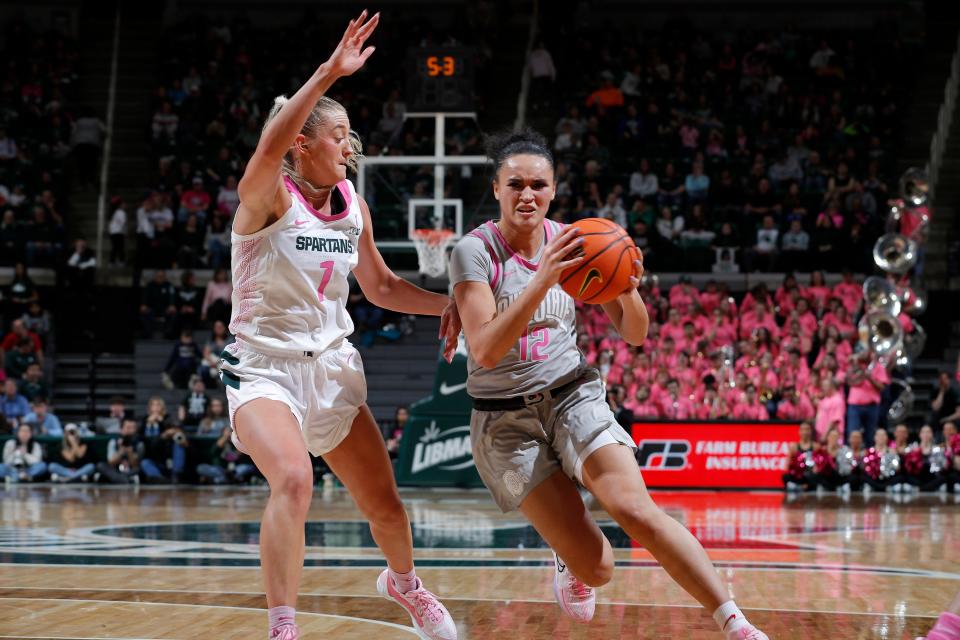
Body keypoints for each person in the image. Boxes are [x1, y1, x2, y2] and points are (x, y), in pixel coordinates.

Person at [449, 129, 767, 640]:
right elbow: (484, 349)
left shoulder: (581, 239)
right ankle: (567, 554)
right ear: (496, 189)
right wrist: (542, 280)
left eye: (538, 184)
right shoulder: (474, 252)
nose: (527, 194)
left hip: (571, 395)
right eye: (515, 184)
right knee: (598, 567)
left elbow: (635, 333)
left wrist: (629, 287)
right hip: (502, 420)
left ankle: (735, 622)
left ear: (553, 190)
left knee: (635, 510)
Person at [221, 13, 458, 640]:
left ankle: (405, 585)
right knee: (294, 479)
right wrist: (329, 71)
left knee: (386, 506)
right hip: (264, 366)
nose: (349, 146)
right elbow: (267, 150)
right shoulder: (267, 195)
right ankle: (283, 627)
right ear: (304, 141)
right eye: (339, 135)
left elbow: (379, 287)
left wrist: (449, 305)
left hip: (331, 365)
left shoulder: (354, 202)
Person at [97, 418, 144, 484]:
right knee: (101, 465)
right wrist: (120, 452)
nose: (130, 430)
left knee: (141, 469)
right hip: (115, 470)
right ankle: (124, 480)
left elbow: (135, 465)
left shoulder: (139, 444)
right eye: (128, 427)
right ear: (121, 429)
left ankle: (119, 479)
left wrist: (130, 452)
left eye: (133, 428)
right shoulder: (114, 442)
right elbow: (111, 462)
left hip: (130, 471)